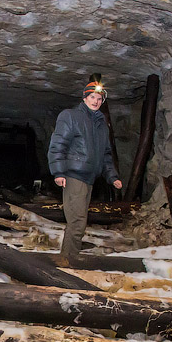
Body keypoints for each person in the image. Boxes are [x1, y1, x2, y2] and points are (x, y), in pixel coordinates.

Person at [47, 76, 122, 264]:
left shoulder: (101, 125)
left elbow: (105, 155)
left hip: (89, 179)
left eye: (99, 99)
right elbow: (58, 144)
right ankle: (67, 261)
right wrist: (59, 172)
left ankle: (70, 257)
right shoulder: (71, 116)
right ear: (84, 97)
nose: (96, 102)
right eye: (92, 97)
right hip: (74, 176)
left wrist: (112, 177)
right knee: (77, 221)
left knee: (78, 221)